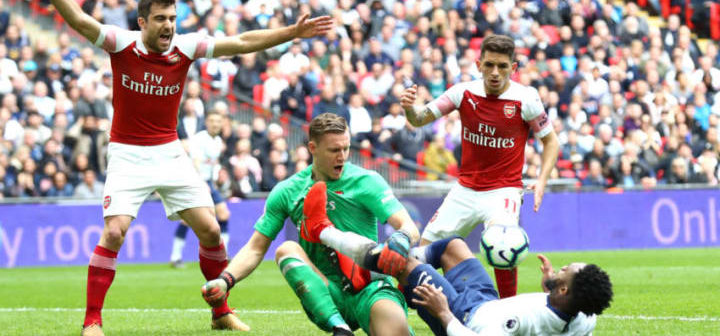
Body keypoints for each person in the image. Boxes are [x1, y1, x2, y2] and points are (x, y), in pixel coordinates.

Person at [22, 0, 333, 336]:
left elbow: (239, 41)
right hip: (127, 152)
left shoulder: (184, 48)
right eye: (161, 20)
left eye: (172, 19)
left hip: (170, 151)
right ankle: (92, 322)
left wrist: (290, 33)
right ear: (142, 22)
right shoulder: (122, 43)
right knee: (115, 231)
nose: (169, 26)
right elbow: (81, 21)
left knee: (211, 232)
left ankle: (220, 312)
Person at [201, 113, 420, 336]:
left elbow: (408, 226)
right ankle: (340, 329)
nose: (342, 156)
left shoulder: (367, 181)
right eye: (334, 150)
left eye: (345, 148)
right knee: (286, 249)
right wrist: (225, 281)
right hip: (325, 294)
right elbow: (256, 247)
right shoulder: (288, 191)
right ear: (313, 148)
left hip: (370, 288)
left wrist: (402, 239)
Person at [301, 191, 613, 335]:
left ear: (563, 291)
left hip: (463, 315)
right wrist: (550, 284)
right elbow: (558, 316)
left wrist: (444, 314)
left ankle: (323, 232)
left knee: (406, 266)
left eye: (565, 271)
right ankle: (372, 269)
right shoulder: (585, 317)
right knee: (454, 245)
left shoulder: (507, 326)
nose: (561, 267)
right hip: (486, 300)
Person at [400, 34, 560, 298]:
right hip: (465, 190)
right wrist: (409, 108)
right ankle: (397, 306)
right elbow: (419, 119)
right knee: (420, 255)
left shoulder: (526, 99)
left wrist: (542, 180)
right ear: (478, 64)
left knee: (503, 244)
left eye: (502, 66)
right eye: (489, 65)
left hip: (504, 191)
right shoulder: (463, 93)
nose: (495, 73)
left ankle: (507, 314)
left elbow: (551, 142)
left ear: (514, 68)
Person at [170, 110, 231, 269]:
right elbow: (195, 161)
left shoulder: (217, 140)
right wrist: (200, 182)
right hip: (195, 181)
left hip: (208, 182)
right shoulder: (199, 139)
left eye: (218, 121)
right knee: (189, 219)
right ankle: (176, 256)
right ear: (206, 123)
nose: (215, 124)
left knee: (223, 214)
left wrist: (214, 179)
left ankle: (224, 252)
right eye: (212, 121)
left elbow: (212, 163)